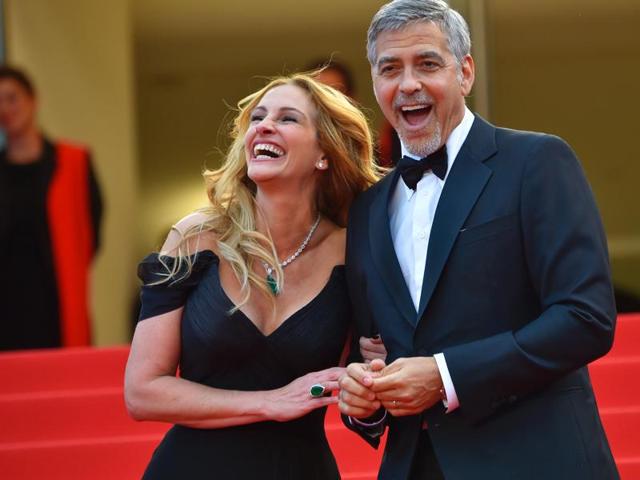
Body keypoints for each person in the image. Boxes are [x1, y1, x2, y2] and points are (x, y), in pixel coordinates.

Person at [338, 1, 619, 479]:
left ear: (465, 72)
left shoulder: (537, 162)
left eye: (427, 63)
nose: (408, 84)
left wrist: (446, 376)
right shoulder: (365, 209)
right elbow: (375, 351)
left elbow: (585, 316)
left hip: (537, 462)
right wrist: (366, 401)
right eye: (390, 69)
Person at [124, 73, 379, 479]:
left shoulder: (356, 250)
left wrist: (369, 382)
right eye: (258, 117)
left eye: (288, 119)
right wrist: (270, 401)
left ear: (324, 154)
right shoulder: (197, 236)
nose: (264, 125)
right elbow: (142, 392)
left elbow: (367, 390)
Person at [0, 65, 102, 351]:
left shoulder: (74, 162)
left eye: (12, 98)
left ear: (33, 100)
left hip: (56, 303)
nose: (4, 108)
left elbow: (90, 237)